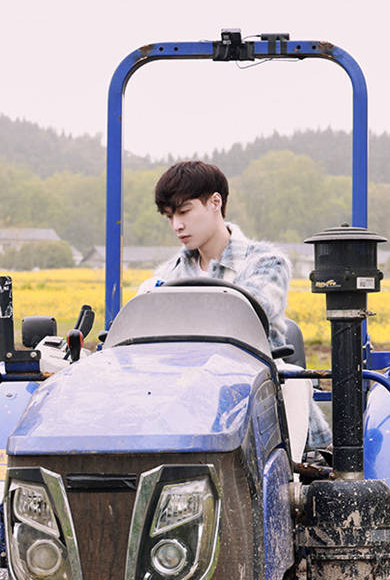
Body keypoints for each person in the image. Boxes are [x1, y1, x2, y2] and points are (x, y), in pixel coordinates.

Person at [142, 160, 332, 450]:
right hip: (185, 408)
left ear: (215, 202)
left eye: (184, 211)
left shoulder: (266, 263)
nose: (177, 225)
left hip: (259, 402)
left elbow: (244, 314)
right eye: (170, 217)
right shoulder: (166, 276)